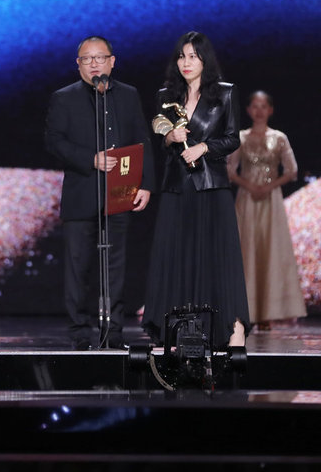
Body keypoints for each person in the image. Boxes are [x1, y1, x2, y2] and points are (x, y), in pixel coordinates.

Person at [142, 31, 249, 349]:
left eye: (192, 56)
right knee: (175, 257)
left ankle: (233, 327)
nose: (186, 62)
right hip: (177, 187)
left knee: (218, 257)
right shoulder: (166, 96)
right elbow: (161, 140)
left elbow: (232, 138)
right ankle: (173, 329)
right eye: (181, 56)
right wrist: (170, 138)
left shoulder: (224, 93)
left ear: (205, 60)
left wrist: (204, 147)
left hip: (211, 187)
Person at [45, 36, 153, 350]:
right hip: (81, 192)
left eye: (99, 57)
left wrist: (146, 183)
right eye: (87, 59)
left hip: (120, 191)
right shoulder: (64, 98)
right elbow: (54, 141)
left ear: (112, 61)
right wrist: (90, 159)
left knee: (115, 264)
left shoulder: (128, 95)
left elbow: (141, 139)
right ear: (78, 64)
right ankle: (80, 331)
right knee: (78, 266)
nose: (94, 64)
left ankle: (114, 330)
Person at [227, 91, 306, 329]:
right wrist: (249, 185)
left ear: (270, 110)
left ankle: (268, 312)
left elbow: (292, 170)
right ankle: (246, 310)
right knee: (248, 250)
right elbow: (229, 170)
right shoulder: (241, 137)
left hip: (271, 201)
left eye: (264, 106)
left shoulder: (279, 138)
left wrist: (268, 186)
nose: (259, 110)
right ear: (248, 110)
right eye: (255, 105)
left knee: (270, 250)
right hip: (247, 200)